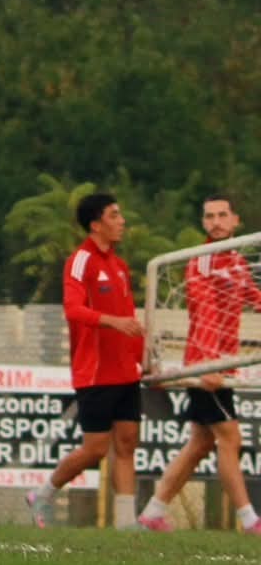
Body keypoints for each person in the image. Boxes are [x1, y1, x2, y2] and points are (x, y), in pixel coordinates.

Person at [139, 194, 261, 534]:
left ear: (236, 220)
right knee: (230, 439)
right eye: (209, 217)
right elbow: (205, 312)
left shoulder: (237, 261)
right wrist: (207, 367)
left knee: (200, 444)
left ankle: (152, 512)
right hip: (206, 368)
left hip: (222, 366)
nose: (216, 222)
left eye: (222, 215)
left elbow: (256, 299)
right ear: (203, 222)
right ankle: (250, 520)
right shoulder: (203, 261)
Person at [27, 191, 146, 530]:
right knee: (95, 450)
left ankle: (127, 524)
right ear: (95, 225)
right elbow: (73, 309)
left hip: (126, 372)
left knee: (127, 442)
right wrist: (112, 322)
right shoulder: (81, 260)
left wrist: (141, 358)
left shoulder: (120, 266)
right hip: (95, 373)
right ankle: (43, 493)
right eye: (114, 215)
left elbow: (130, 320)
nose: (121, 221)